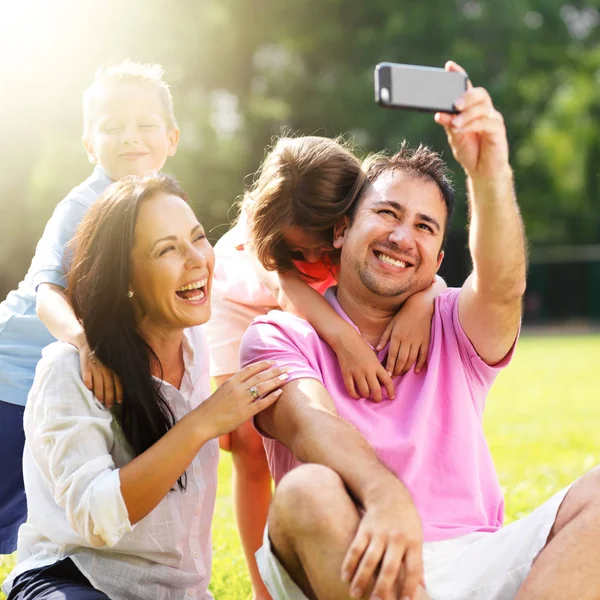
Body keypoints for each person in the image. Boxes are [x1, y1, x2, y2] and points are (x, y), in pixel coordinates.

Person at [240, 62, 597, 600]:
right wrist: (386, 496)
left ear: (437, 256)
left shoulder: (455, 321)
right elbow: (313, 427)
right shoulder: (280, 336)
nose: (403, 236)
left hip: (476, 558)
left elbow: (502, 286)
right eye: (387, 212)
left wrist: (489, 171)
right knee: (306, 489)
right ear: (341, 230)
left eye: (425, 227)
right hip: (356, 554)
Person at [2, 173, 288, 600]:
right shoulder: (70, 371)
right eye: (167, 249)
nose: (196, 260)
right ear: (127, 278)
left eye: (197, 238)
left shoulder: (195, 342)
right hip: (76, 580)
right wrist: (201, 424)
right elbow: (95, 518)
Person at [205, 135, 446, 599]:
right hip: (242, 305)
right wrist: (345, 341)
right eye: (303, 251)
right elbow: (288, 295)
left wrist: (422, 302)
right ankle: (265, 590)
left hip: (320, 308)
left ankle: (337, 520)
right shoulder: (268, 230)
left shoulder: (358, 213)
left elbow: (427, 273)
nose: (316, 259)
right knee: (249, 447)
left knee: (326, 419)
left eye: (323, 247)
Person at [0, 60, 179, 554]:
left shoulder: (161, 206)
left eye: (145, 126)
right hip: (11, 376)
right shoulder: (85, 206)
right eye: (112, 127)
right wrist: (84, 342)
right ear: (88, 143)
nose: (130, 138)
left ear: (171, 139)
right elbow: (47, 293)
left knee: (34, 515)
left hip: (65, 385)